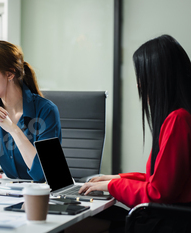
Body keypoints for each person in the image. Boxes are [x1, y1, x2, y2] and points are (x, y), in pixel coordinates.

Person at [76, 35, 191, 232]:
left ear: (159, 77)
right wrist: (116, 179)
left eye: (142, 77)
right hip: (174, 216)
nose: (139, 85)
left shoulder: (179, 119)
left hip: (171, 221)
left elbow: (158, 193)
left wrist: (111, 186)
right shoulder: (180, 116)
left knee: (81, 220)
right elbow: (157, 180)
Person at [0, 40, 62, 182]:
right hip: (11, 192)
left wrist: (12, 129)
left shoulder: (46, 111)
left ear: (10, 74)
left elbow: (43, 174)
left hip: (44, 195)